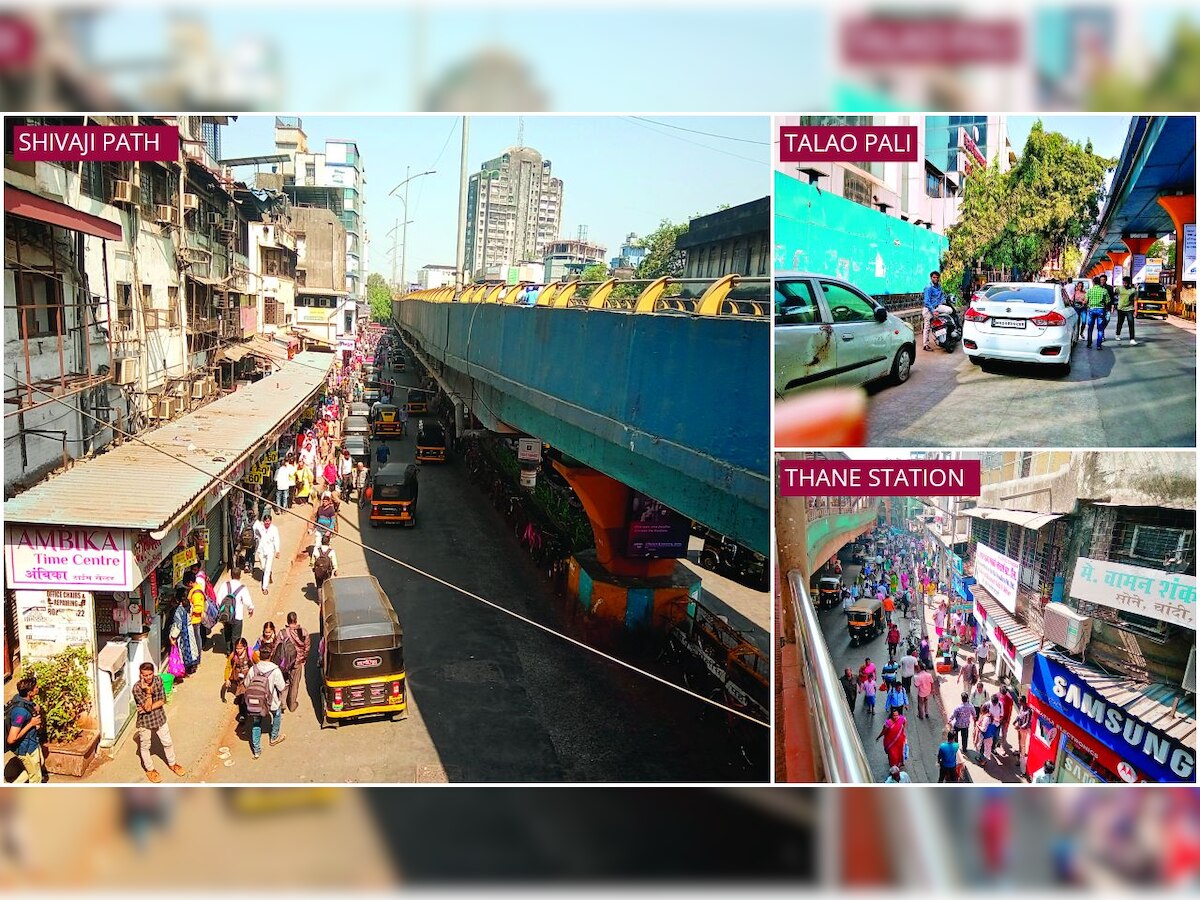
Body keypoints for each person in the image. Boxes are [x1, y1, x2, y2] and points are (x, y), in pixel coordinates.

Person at [131, 663, 186, 782]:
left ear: (153, 673)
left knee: (167, 742)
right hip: (145, 722)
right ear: (140, 675)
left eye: (150, 674)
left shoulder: (158, 680)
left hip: (160, 717)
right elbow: (147, 707)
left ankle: (172, 764)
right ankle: (150, 769)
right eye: (145, 675)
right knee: (145, 746)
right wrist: (148, 693)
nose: (148, 677)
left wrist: (149, 707)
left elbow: (162, 701)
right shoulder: (136, 688)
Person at [243, 647, 287, 759]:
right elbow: (281, 687)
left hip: (257, 703)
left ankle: (257, 751)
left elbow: (246, 684)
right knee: (277, 715)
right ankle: (274, 737)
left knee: (256, 724)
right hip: (271, 702)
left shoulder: (253, 669)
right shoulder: (275, 670)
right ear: (270, 655)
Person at [6, 677, 44, 783]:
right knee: (36, 778)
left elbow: (28, 705)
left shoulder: (20, 698)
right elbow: (11, 739)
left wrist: (35, 707)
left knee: (37, 765)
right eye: (36, 687)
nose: (38, 688)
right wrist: (31, 724)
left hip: (32, 743)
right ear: (30, 692)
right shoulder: (20, 713)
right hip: (26, 749)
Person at [215, 567, 253, 653]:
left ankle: (229, 652)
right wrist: (251, 609)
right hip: (237, 616)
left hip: (226, 614)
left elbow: (218, 600)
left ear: (231, 575)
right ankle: (235, 653)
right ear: (240, 576)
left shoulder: (225, 585)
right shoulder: (242, 588)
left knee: (227, 633)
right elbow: (247, 601)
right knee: (236, 636)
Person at [281, 612, 312, 714]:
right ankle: (292, 704)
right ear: (296, 620)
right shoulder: (303, 632)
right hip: (297, 661)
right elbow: (307, 648)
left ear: (287, 620)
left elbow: (277, 647)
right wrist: (303, 658)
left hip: (285, 662)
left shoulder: (283, 633)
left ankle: (282, 703)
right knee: (294, 683)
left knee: (285, 682)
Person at [222, 637, 253, 724]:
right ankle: (243, 714)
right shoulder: (233, 656)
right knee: (241, 696)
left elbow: (258, 664)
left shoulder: (250, 654)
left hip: (249, 678)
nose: (238, 650)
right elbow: (228, 666)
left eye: (240, 648)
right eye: (237, 648)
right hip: (239, 680)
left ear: (245, 647)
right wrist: (227, 678)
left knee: (247, 695)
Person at [921, 270, 952, 351]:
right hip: (928, 309)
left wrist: (943, 301)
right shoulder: (928, 287)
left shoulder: (939, 286)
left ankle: (948, 334)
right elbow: (927, 302)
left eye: (937, 278)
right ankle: (925, 345)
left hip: (937, 307)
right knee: (927, 326)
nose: (935, 279)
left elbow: (941, 296)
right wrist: (933, 311)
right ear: (931, 278)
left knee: (950, 310)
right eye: (934, 277)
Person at [253, 513, 281, 596]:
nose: (267, 523)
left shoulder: (274, 529)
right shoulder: (260, 526)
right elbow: (254, 525)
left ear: (271, 522)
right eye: (266, 521)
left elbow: (276, 539)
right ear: (264, 521)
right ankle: (268, 574)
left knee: (267, 569)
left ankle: (264, 587)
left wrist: (277, 550)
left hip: (270, 551)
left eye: (268, 522)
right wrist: (256, 536)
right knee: (264, 567)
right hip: (261, 550)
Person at [876, 707, 908, 771]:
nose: (895, 717)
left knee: (900, 753)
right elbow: (884, 731)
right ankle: (893, 767)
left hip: (900, 741)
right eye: (894, 715)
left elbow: (904, 725)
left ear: (899, 715)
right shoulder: (888, 723)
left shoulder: (902, 719)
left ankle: (899, 764)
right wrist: (879, 737)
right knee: (892, 755)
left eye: (897, 715)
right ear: (891, 715)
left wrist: (902, 732)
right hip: (890, 742)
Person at [1085, 275, 1110, 349]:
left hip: (1091, 310)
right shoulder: (1104, 290)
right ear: (1099, 282)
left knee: (1090, 327)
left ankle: (1089, 343)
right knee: (1100, 328)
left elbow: (1086, 301)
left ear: (1093, 282)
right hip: (1101, 310)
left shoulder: (1089, 290)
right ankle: (1099, 345)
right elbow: (1108, 301)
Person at [1114, 275, 1138, 345]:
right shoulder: (1119, 289)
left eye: (1126, 283)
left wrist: (1136, 311)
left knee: (1131, 323)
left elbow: (1136, 301)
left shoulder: (1133, 290)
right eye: (1123, 283)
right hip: (1120, 309)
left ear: (1129, 283)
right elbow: (1114, 293)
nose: (1124, 284)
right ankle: (1117, 334)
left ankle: (1132, 339)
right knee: (1120, 322)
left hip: (1129, 309)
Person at [1013, 696, 1033, 775]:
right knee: (1019, 741)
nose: (1018, 703)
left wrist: (1020, 727)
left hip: (1024, 730)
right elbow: (1019, 716)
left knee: (1023, 744)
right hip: (1019, 727)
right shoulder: (1021, 707)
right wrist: (1015, 721)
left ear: (1023, 702)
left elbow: (1028, 722)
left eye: (1019, 701)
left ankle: (1021, 760)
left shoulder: (1028, 711)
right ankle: (1020, 752)